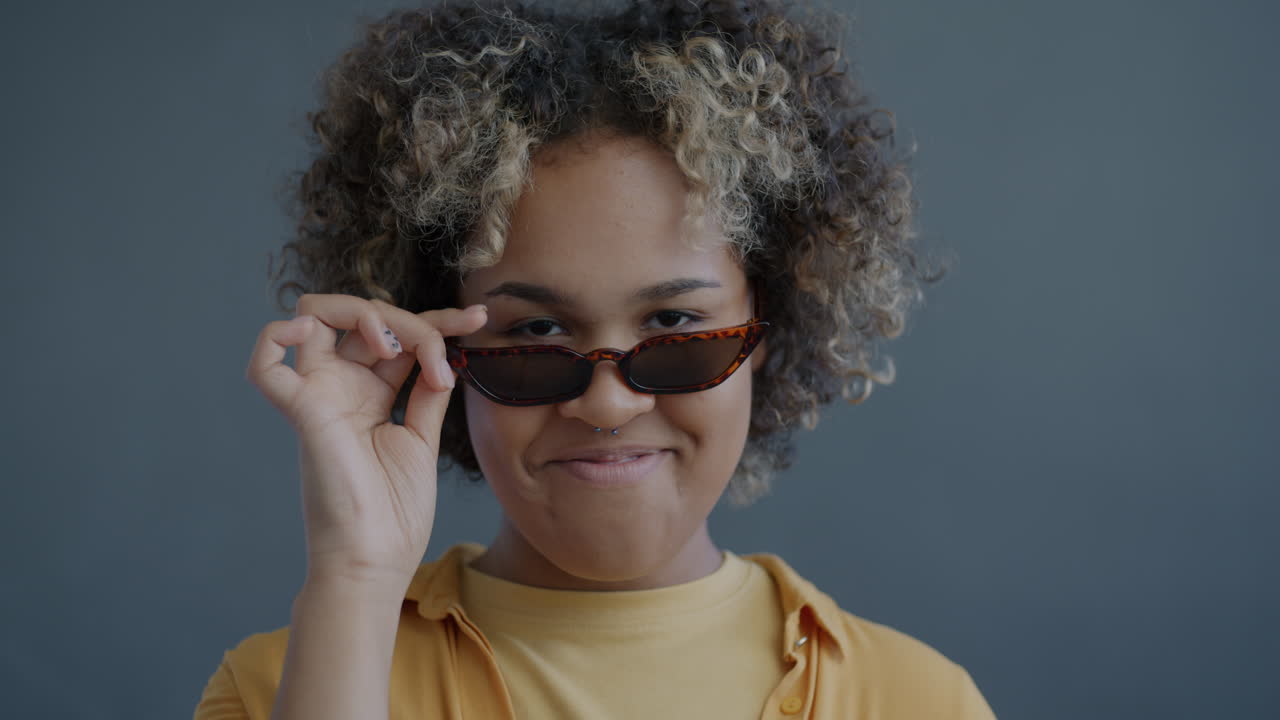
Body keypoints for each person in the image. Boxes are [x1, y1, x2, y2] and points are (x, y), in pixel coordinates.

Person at [194, 1, 997, 718]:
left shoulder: (918, 702)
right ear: (435, 340)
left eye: (677, 323)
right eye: (538, 334)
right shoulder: (278, 692)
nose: (608, 405)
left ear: (769, 329)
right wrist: (355, 575)